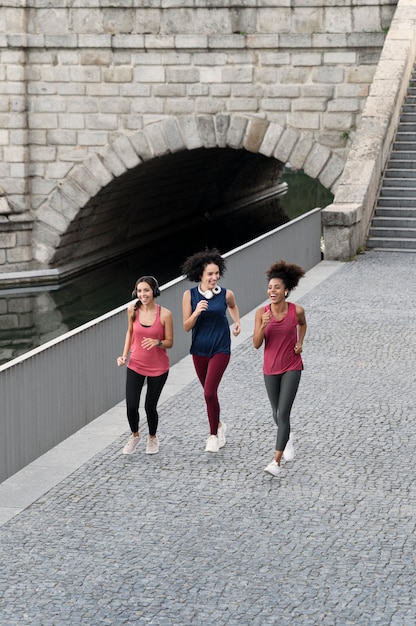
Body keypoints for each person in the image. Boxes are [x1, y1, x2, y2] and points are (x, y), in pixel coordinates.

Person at [181, 249, 241, 453]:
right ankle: (220, 425)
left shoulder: (226, 294)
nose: (214, 277)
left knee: (208, 392)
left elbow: (232, 306)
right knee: (210, 394)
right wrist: (197, 311)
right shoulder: (189, 295)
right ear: (200, 275)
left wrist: (237, 322)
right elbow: (187, 326)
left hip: (221, 349)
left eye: (217, 273)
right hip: (199, 350)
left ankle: (213, 436)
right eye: (210, 274)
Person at [253, 260, 307, 477]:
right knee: (276, 414)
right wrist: (264, 324)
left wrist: (300, 342)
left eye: (276, 287)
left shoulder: (297, 311)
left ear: (286, 290)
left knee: (283, 412)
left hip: (292, 366)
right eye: (270, 287)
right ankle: (288, 436)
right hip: (270, 368)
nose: (272, 291)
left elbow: (302, 325)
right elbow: (256, 344)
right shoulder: (261, 313)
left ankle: (276, 461)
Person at [117, 276, 173, 455]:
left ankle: (152, 437)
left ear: (154, 291)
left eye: (146, 290)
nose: (143, 294)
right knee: (131, 405)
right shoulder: (132, 309)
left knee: (150, 406)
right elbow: (130, 332)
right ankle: (135, 435)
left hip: (158, 368)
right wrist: (124, 355)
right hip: (136, 364)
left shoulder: (165, 314)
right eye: (139, 291)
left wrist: (157, 342)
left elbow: (170, 342)